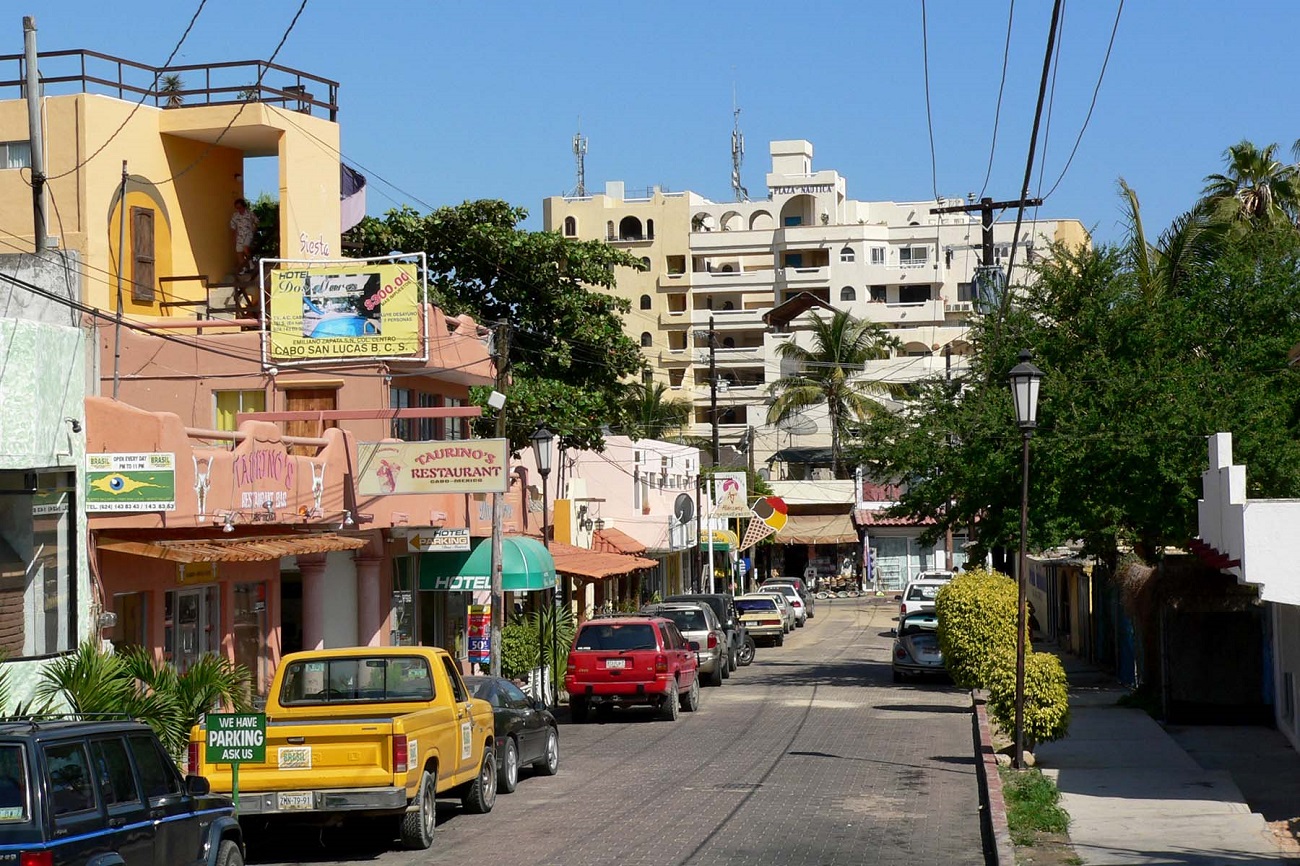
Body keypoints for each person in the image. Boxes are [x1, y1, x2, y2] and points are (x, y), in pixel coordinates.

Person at [229, 198, 256, 274]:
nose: (239, 209)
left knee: (245, 247)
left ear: (244, 206)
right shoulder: (235, 216)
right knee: (239, 252)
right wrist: (234, 237)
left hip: (248, 234)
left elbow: (256, 221)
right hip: (239, 236)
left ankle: (251, 264)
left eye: (240, 207)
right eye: (237, 208)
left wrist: (254, 229)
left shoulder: (250, 214)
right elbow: (233, 227)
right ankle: (244, 268)